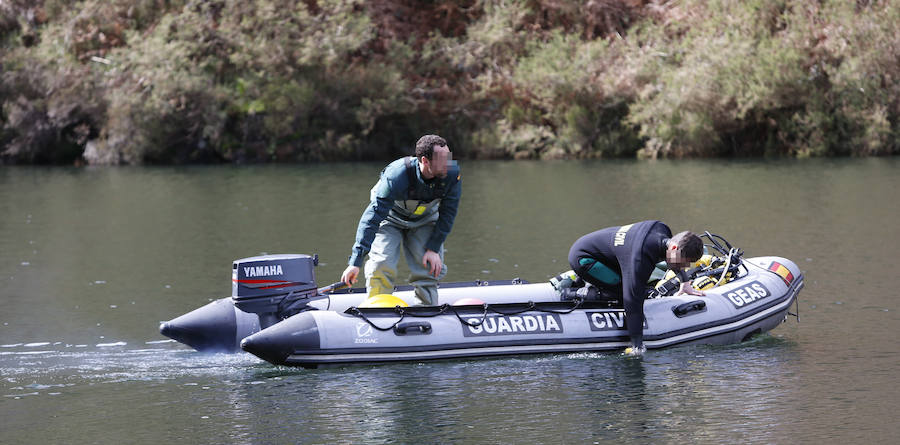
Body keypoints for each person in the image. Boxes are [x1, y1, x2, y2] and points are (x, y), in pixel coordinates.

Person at [340, 135, 461, 305]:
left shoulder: (452, 174)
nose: (449, 162)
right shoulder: (397, 175)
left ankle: (427, 311)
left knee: (428, 267)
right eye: (442, 159)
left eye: (449, 156)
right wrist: (355, 262)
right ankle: (378, 309)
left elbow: (449, 213)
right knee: (382, 263)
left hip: (425, 220)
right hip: (389, 218)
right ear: (425, 161)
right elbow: (372, 217)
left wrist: (433, 248)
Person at [565, 221, 705, 356]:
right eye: (684, 263)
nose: (686, 267)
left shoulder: (661, 229)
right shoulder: (640, 258)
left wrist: (685, 282)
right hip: (584, 258)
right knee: (624, 295)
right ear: (674, 248)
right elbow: (631, 301)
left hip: (609, 256)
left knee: (640, 288)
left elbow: (673, 258)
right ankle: (575, 293)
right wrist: (637, 345)